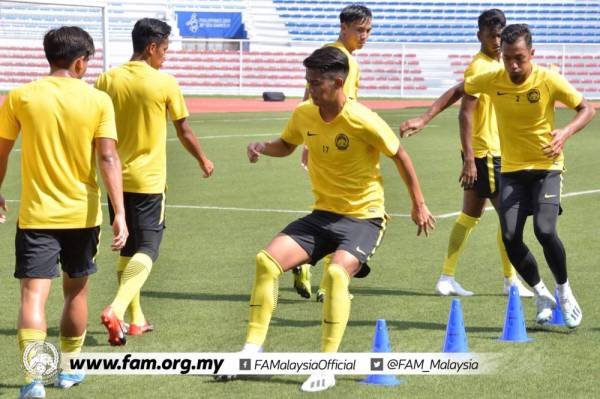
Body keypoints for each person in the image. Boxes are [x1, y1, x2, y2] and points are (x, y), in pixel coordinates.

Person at [217, 46, 435, 392]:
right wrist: (262, 146)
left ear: (338, 83)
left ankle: (327, 363)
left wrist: (418, 204)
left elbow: (400, 155)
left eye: (316, 83)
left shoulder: (363, 118)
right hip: (322, 216)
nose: (310, 89)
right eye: (307, 81)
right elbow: (287, 145)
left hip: (364, 219)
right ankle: (251, 350)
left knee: (335, 275)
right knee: (266, 262)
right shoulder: (305, 114)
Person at [400, 24, 595, 328]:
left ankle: (564, 290)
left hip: (546, 167)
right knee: (510, 236)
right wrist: (424, 118)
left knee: (545, 231)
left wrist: (565, 132)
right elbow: (458, 90)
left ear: (532, 53)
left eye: (519, 58)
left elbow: (587, 109)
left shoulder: (548, 79)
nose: (514, 65)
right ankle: (542, 294)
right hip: (512, 171)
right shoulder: (493, 78)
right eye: (507, 59)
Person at [0, 26, 127, 399]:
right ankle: (69, 371)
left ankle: (33, 380)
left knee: (33, 298)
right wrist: (119, 212)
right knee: (76, 294)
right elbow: (108, 157)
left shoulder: (20, 96)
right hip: (83, 216)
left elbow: (2, 151)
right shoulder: (98, 100)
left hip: (38, 216)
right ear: (79, 61)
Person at [96, 18, 214, 346]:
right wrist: (203, 159)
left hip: (116, 178)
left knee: (128, 247)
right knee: (148, 249)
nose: (166, 56)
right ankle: (117, 309)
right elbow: (184, 130)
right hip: (149, 181)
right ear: (151, 47)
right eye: (164, 49)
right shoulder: (164, 83)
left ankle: (137, 320)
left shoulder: (106, 79)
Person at [403, 9, 533, 298]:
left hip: (491, 153)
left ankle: (447, 278)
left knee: (470, 216)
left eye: (500, 35)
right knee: (509, 220)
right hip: (487, 155)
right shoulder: (482, 67)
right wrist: (471, 159)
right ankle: (510, 281)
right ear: (479, 36)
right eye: (491, 35)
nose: (497, 40)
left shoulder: (494, 64)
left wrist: (424, 118)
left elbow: (456, 90)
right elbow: (465, 112)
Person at [293, 4, 373, 302]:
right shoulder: (336, 57)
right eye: (359, 30)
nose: (364, 36)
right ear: (343, 27)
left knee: (338, 211)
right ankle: (329, 284)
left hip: (342, 143)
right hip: (335, 145)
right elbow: (312, 100)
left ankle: (307, 263)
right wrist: (307, 143)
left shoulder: (350, 60)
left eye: (368, 31)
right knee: (344, 213)